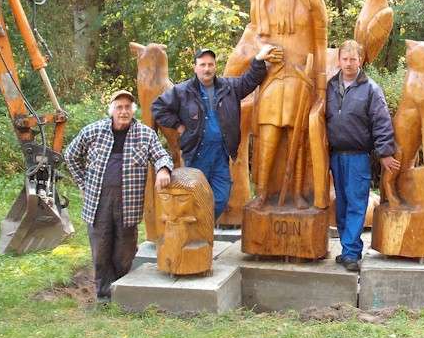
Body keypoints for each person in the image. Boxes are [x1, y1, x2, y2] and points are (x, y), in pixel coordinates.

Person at [64, 90, 173, 302]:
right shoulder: (93, 131)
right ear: (112, 110)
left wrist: (163, 170)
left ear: (133, 111)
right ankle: (104, 296)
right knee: (101, 250)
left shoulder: (145, 134)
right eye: (119, 107)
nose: (123, 111)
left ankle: (123, 293)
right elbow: (70, 155)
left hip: (128, 203)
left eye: (127, 108)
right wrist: (82, 182)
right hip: (98, 202)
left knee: (124, 251)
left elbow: (162, 155)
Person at [152, 44, 281, 219]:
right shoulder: (182, 91)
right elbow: (158, 107)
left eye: (210, 64)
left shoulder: (229, 87)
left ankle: (201, 229)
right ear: (195, 68)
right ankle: (196, 239)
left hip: (221, 154)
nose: (207, 68)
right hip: (196, 153)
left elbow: (250, 80)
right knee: (194, 196)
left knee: (220, 197)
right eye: (203, 65)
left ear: (215, 66)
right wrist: (178, 126)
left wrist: (259, 58)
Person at [326, 40, 399, 272]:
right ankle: (349, 248)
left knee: (357, 203)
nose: (348, 64)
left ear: (360, 60)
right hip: (335, 155)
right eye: (345, 59)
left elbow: (382, 122)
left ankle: (351, 253)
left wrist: (385, 152)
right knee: (342, 204)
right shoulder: (329, 86)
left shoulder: (371, 89)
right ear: (339, 60)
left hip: (358, 156)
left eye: (353, 59)